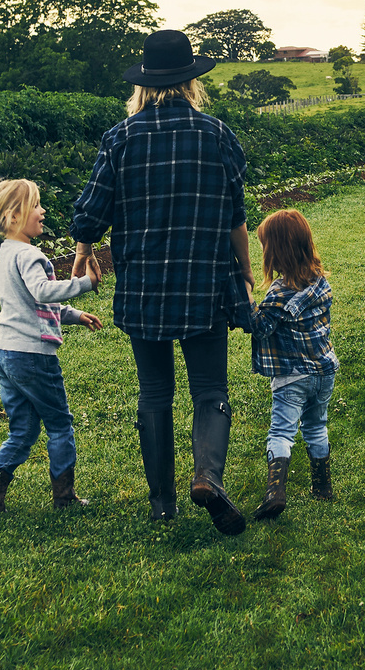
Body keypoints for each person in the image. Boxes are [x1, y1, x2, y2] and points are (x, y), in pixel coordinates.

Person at [69, 29, 258, 532]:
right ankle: (208, 478)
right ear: (191, 82)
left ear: (144, 85)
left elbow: (90, 211)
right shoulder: (217, 134)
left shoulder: (121, 137)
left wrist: (84, 251)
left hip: (144, 286)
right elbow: (236, 216)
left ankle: (161, 504)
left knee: (154, 392)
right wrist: (245, 272)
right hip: (204, 281)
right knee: (210, 387)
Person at [0, 178, 102, 515]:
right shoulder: (29, 254)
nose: (43, 212)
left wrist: (74, 315)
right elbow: (43, 292)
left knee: (23, 430)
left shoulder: (7, 253)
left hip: (4, 353)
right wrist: (85, 284)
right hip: (31, 355)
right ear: (14, 217)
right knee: (59, 424)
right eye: (37, 206)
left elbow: (29, 303)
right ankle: (64, 497)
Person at [247, 207, 337, 520]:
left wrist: (247, 300)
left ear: (275, 251)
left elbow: (259, 326)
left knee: (282, 432)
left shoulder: (279, 294)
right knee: (316, 426)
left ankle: (275, 492)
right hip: (324, 372)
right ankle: (322, 487)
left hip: (292, 377)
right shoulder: (321, 282)